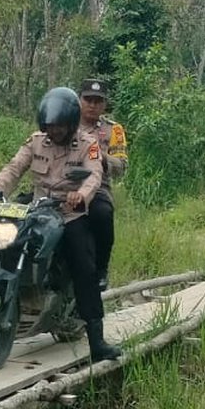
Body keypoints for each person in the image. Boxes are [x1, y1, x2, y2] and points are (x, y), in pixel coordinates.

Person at [0, 86, 121, 361]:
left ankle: (97, 341)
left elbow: (93, 176)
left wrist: (82, 195)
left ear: (71, 122)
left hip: (70, 212)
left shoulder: (88, 143)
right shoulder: (36, 141)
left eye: (60, 127)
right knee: (0, 241)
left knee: (84, 270)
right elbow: (14, 168)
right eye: (50, 126)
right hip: (38, 207)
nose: (54, 132)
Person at [78, 78, 128, 290]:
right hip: (61, 184)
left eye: (98, 100)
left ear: (105, 104)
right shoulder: (65, 122)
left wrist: (102, 157)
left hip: (98, 187)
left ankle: (101, 269)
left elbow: (121, 166)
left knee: (102, 214)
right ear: (79, 99)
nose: (92, 104)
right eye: (88, 99)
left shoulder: (113, 130)